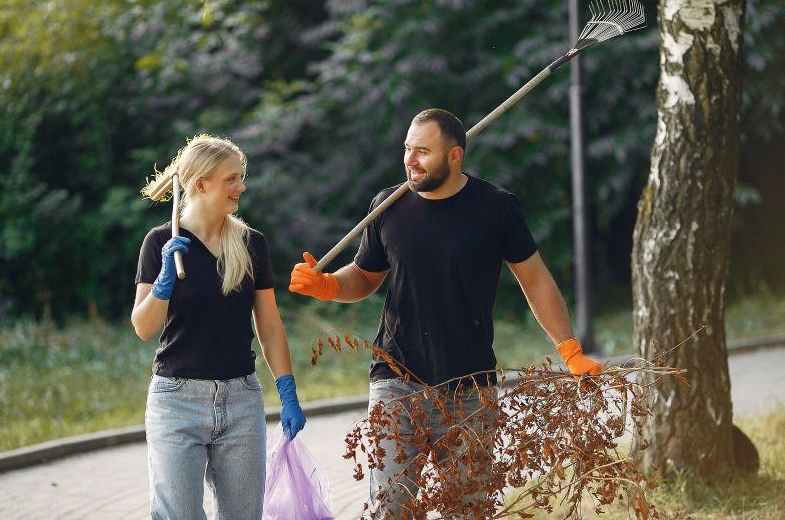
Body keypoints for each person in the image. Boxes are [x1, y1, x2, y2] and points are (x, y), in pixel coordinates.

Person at [289, 108, 601, 517]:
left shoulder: (497, 208)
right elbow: (365, 277)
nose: (410, 160)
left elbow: (536, 281)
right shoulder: (388, 206)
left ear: (455, 156)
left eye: (423, 151)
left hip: (470, 389)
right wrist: (328, 285)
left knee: (468, 512)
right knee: (389, 510)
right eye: (407, 149)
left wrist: (569, 349)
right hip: (396, 383)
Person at [132, 134, 306, 520]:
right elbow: (143, 328)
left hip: (241, 399)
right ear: (200, 184)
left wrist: (287, 390)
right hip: (176, 402)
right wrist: (163, 282)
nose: (241, 186)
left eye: (241, 177)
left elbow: (270, 326)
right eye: (232, 178)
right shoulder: (161, 241)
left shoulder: (251, 244)